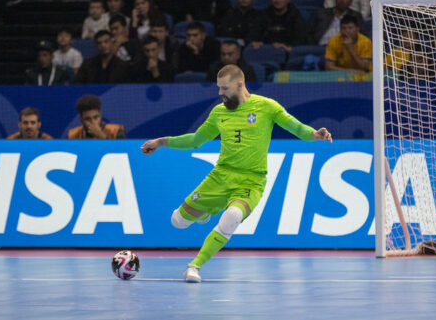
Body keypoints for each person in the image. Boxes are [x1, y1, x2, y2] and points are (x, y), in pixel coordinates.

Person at [140, 64, 332, 282]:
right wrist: (161, 142)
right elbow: (195, 140)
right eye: (219, 88)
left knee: (232, 216)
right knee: (178, 221)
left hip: (251, 180)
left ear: (239, 84)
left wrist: (315, 134)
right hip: (220, 177)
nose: (220, 93)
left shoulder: (266, 107)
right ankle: (205, 213)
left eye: (224, 88)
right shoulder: (219, 113)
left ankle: (194, 266)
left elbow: (297, 128)